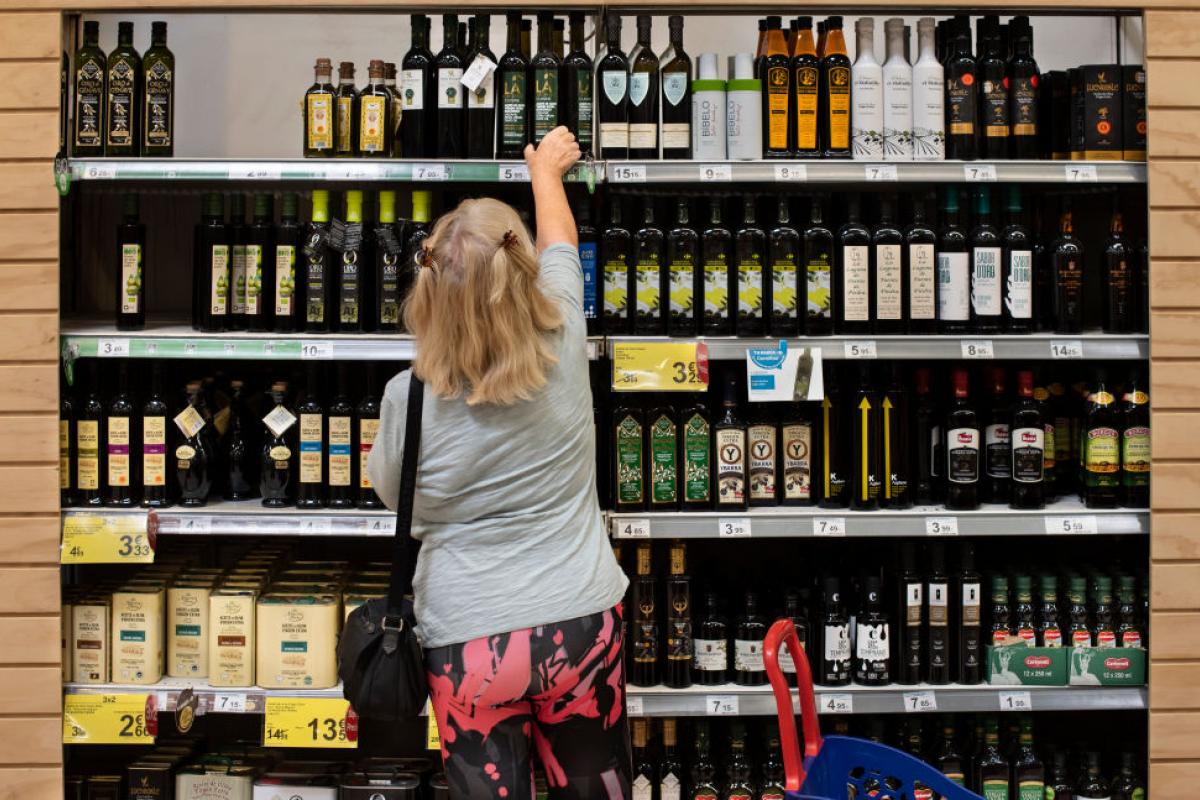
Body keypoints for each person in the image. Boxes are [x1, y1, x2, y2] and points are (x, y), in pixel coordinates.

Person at [366, 126, 631, 800]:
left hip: (469, 638)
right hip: (579, 624)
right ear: (524, 277)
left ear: (429, 292)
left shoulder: (410, 399)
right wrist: (546, 174)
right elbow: (562, 245)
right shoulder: (565, 341)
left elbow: (401, 504)